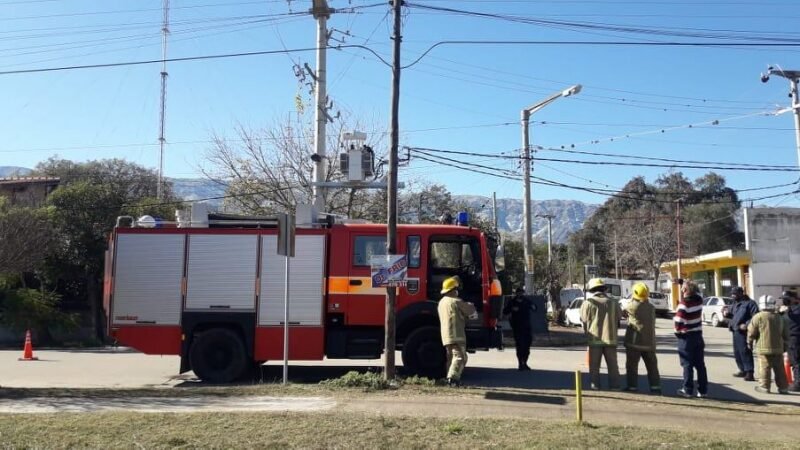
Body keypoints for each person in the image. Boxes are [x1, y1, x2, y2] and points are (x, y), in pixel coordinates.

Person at [580, 278, 622, 390]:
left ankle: (595, 385)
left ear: (592, 289)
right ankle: (615, 386)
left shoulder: (588, 303)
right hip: (611, 339)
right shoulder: (614, 302)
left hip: (594, 339)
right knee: (613, 366)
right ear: (604, 289)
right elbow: (619, 317)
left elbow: (583, 319)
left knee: (594, 366)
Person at [437, 276, 476, 387]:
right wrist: (470, 305)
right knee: (460, 357)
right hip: (457, 334)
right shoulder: (456, 301)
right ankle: (453, 379)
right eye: (456, 289)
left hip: (446, 336)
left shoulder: (441, 302)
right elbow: (470, 311)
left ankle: (448, 378)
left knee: (451, 358)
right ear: (453, 290)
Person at [623, 282, 661, 394]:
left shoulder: (631, 306)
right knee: (652, 367)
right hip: (649, 342)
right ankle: (656, 388)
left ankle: (632, 387)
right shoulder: (651, 308)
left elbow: (624, 310)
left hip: (635, 342)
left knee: (632, 367)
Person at [748, 295, 790, 394]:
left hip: (763, 348)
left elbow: (751, 332)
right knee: (779, 369)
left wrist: (749, 342)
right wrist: (785, 346)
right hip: (778, 348)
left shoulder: (758, 317)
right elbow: (786, 334)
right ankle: (783, 387)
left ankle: (764, 387)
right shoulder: (780, 317)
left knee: (764, 367)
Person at [674, 280, 709, 398]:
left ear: (685, 291)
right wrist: (683, 282)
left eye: (683, 288)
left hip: (686, 337)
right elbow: (698, 293)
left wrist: (678, 331)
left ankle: (688, 390)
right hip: (698, 335)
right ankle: (703, 390)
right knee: (700, 365)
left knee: (687, 364)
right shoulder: (699, 300)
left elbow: (678, 322)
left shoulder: (684, 305)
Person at [728, 286, 759, 381]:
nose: (733, 296)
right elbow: (732, 314)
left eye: (735, 294)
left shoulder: (750, 303)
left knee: (745, 351)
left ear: (741, 293)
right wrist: (726, 313)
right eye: (732, 294)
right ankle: (742, 370)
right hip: (735, 330)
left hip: (744, 331)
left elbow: (755, 316)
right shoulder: (735, 303)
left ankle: (749, 372)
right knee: (737, 352)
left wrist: (746, 324)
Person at [503, 287, 535, 371]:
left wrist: (533, 306)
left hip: (526, 327)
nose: (520, 294)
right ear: (516, 293)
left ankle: (525, 362)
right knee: (520, 346)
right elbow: (505, 311)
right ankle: (520, 363)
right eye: (518, 293)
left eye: (521, 293)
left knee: (527, 346)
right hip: (517, 327)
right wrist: (512, 309)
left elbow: (534, 307)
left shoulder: (526, 301)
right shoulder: (512, 302)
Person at [780, 291, 800, 391]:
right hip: (791, 338)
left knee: (796, 362)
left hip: (795, 339)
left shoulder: (795, 311)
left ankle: (798, 384)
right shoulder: (790, 310)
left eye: (787, 298)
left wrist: (784, 312)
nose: (784, 301)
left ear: (794, 299)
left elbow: (791, 320)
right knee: (794, 361)